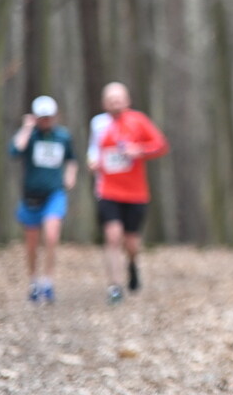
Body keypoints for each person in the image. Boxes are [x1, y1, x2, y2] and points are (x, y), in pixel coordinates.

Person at [87, 81, 169, 305]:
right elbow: (93, 151)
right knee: (112, 236)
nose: (115, 103)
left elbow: (160, 145)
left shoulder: (138, 121)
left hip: (135, 193)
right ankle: (114, 286)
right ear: (104, 102)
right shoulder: (99, 124)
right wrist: (92, 162)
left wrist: (139, 150)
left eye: (119, 98)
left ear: (127, 100)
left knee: (131, 243)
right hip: (108, 190)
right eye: (111, 99)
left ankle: (132, 265)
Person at [10, 95, 78, 304]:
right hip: (31, 197)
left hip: (54, 195)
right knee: (31, 245)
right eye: (42, 117)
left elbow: (72, 160)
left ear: (55, 116)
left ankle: (48, 281)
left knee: (51, 235)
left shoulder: (63, 137)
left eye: (49, 117)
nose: (46, 121)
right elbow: (15, 151)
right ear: (35, 117)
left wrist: (70, 175)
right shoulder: (30, 136)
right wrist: (27, 127)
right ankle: (34, 281)